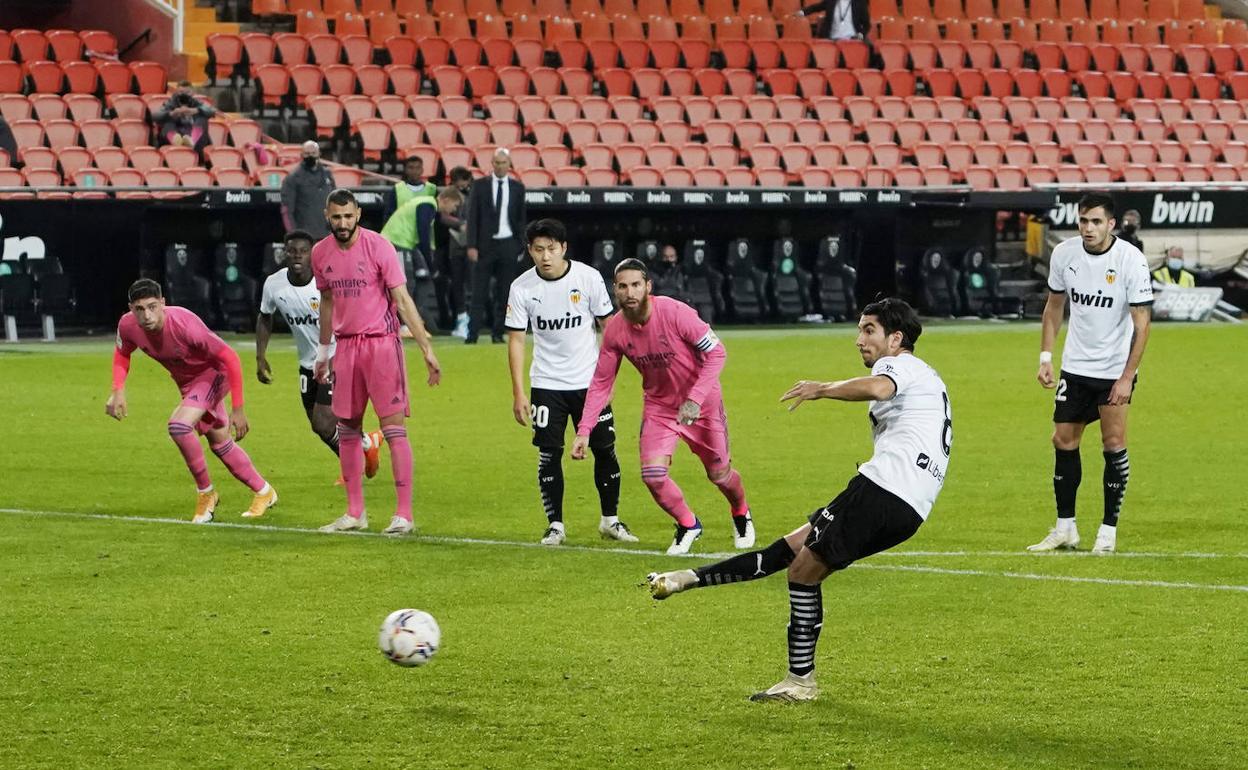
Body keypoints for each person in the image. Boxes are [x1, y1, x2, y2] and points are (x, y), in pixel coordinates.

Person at [646, 298, 951, 703]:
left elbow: (879, 387)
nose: (859, 339)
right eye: (860, 329)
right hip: (907, 503)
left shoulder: (901, 365)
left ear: (896, 339)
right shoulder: (928, 377)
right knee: (788, 552)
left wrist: (820, 388)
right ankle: (688, 578)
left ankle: (801, 681)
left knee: (802, 573)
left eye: (869, 330)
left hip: (885, 488)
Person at [571, 258, 755, 555]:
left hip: (702, 404)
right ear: (614, 291)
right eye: (622, 286)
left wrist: (695, 399)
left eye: (635, 285)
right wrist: (584, 430)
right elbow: (601, 382)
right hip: (660, 408)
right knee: (653, 476)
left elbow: (717, 353)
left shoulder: (675, 312)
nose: (629, 292)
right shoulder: (616, 331)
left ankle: (740, 511)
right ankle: (688, 524)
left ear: (648, 287)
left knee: (720, 475)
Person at [312, 189, 442, 536]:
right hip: (346, 348)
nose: (343, 223)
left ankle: (404, 515)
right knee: (347, 429)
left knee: (394, 429)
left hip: (382, 346)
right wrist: (324, 351)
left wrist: (426, 348)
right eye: (336, 217)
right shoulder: (320, 253)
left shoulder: (379, 247)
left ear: (358, 214)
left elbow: (401, 298)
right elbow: (326, 301)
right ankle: (355, 513)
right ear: (328, 216)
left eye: (348, 216)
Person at [1031, 193, 1153, 555]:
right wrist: (1046, 356)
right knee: (1062, 441)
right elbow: (1054, 306)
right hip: (1076, 366)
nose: (1088, 228)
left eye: (1096, 221)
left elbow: (1142, 324)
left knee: (1113, 444)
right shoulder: (1064, 254)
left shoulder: (1130, 260)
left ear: (1111, 224)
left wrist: (1127, 376)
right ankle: (1066, 528)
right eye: (1083, 220)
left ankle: (1108, 530)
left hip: (1114, 368)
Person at [505, 218, 636, 547]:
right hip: (547, 383)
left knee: (604, 449)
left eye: (551, 248)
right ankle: (555, 525)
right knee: (549, 454)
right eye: (538, 250)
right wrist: (519, 391)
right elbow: (517, 340)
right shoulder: (522, 288)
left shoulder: (588, 278)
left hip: (589, 382)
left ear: (563, 248)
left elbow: (610, 329)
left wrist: (609, 379)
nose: (545, 256)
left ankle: (610, 520)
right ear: (530, 251)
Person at [106, 278, 277, 523]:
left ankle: (206, 493)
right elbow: (122, 354)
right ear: (131, 308)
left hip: (215, 374)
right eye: (139, 309)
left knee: (179, 426)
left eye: (152, 306)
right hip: (188, 383)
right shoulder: (127, 326)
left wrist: (238, 409)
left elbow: (230, 357)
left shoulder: (185, 325)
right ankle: (264, 491)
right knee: (219, 443)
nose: (147, 315)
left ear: (163, 303)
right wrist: (118, 390)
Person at [255, 230, 384, 479]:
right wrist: (261, 356)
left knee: (323, 421)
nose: (297, 256)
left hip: (338, 356)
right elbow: (265, 316)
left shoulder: (326, 282)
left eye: (303, 251)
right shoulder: (274, 284)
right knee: (322, 428)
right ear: (284, 252)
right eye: (292, 251)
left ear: (312, 254)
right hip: (307, 364)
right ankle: (368, 445)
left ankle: (352, 466)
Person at [465, 148, 526, 344]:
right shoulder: (480, 185)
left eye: (504, 163)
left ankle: (498, 333)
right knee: (479, 292)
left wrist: (520, 244)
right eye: (497, 163)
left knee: (505, 292)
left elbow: (520, 218)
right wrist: (472, 245)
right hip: (485, 245)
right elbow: (472, 216)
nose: (500, 166)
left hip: (508, 244)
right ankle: (472, 334)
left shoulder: (518, 188)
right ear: (492, 164)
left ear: (509, 164)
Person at [281, 141, 336, 239]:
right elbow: (286, 210)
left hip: (327, 235)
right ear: (301, 155)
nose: (310, 156)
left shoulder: (327, 175)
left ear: (319, 154)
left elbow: (335, 203)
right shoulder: (293, 178)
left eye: (313, 153)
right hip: (305, 238)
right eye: (307, 153)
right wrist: (294, 235)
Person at [152, 81, 217, 154]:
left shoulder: (196, 103)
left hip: (193, 136)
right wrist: (172, 113)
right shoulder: (170, 103)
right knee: (167, 120)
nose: (184, 95)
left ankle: (192, 141)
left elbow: (213, 111)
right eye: (181, 92)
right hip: (175, 133)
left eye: (187, 92)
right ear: (176, 92)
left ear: (192, 93)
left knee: (202, 118)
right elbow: (155, 116)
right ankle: (175, 139)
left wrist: (196, 110)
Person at [793, 0, 869, 41]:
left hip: (852, 40)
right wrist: (802, 12)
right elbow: (816, 7)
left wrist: (861, 34)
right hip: (832, 40)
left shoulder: (860, 2)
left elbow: (866, 25)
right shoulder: (831, 1)